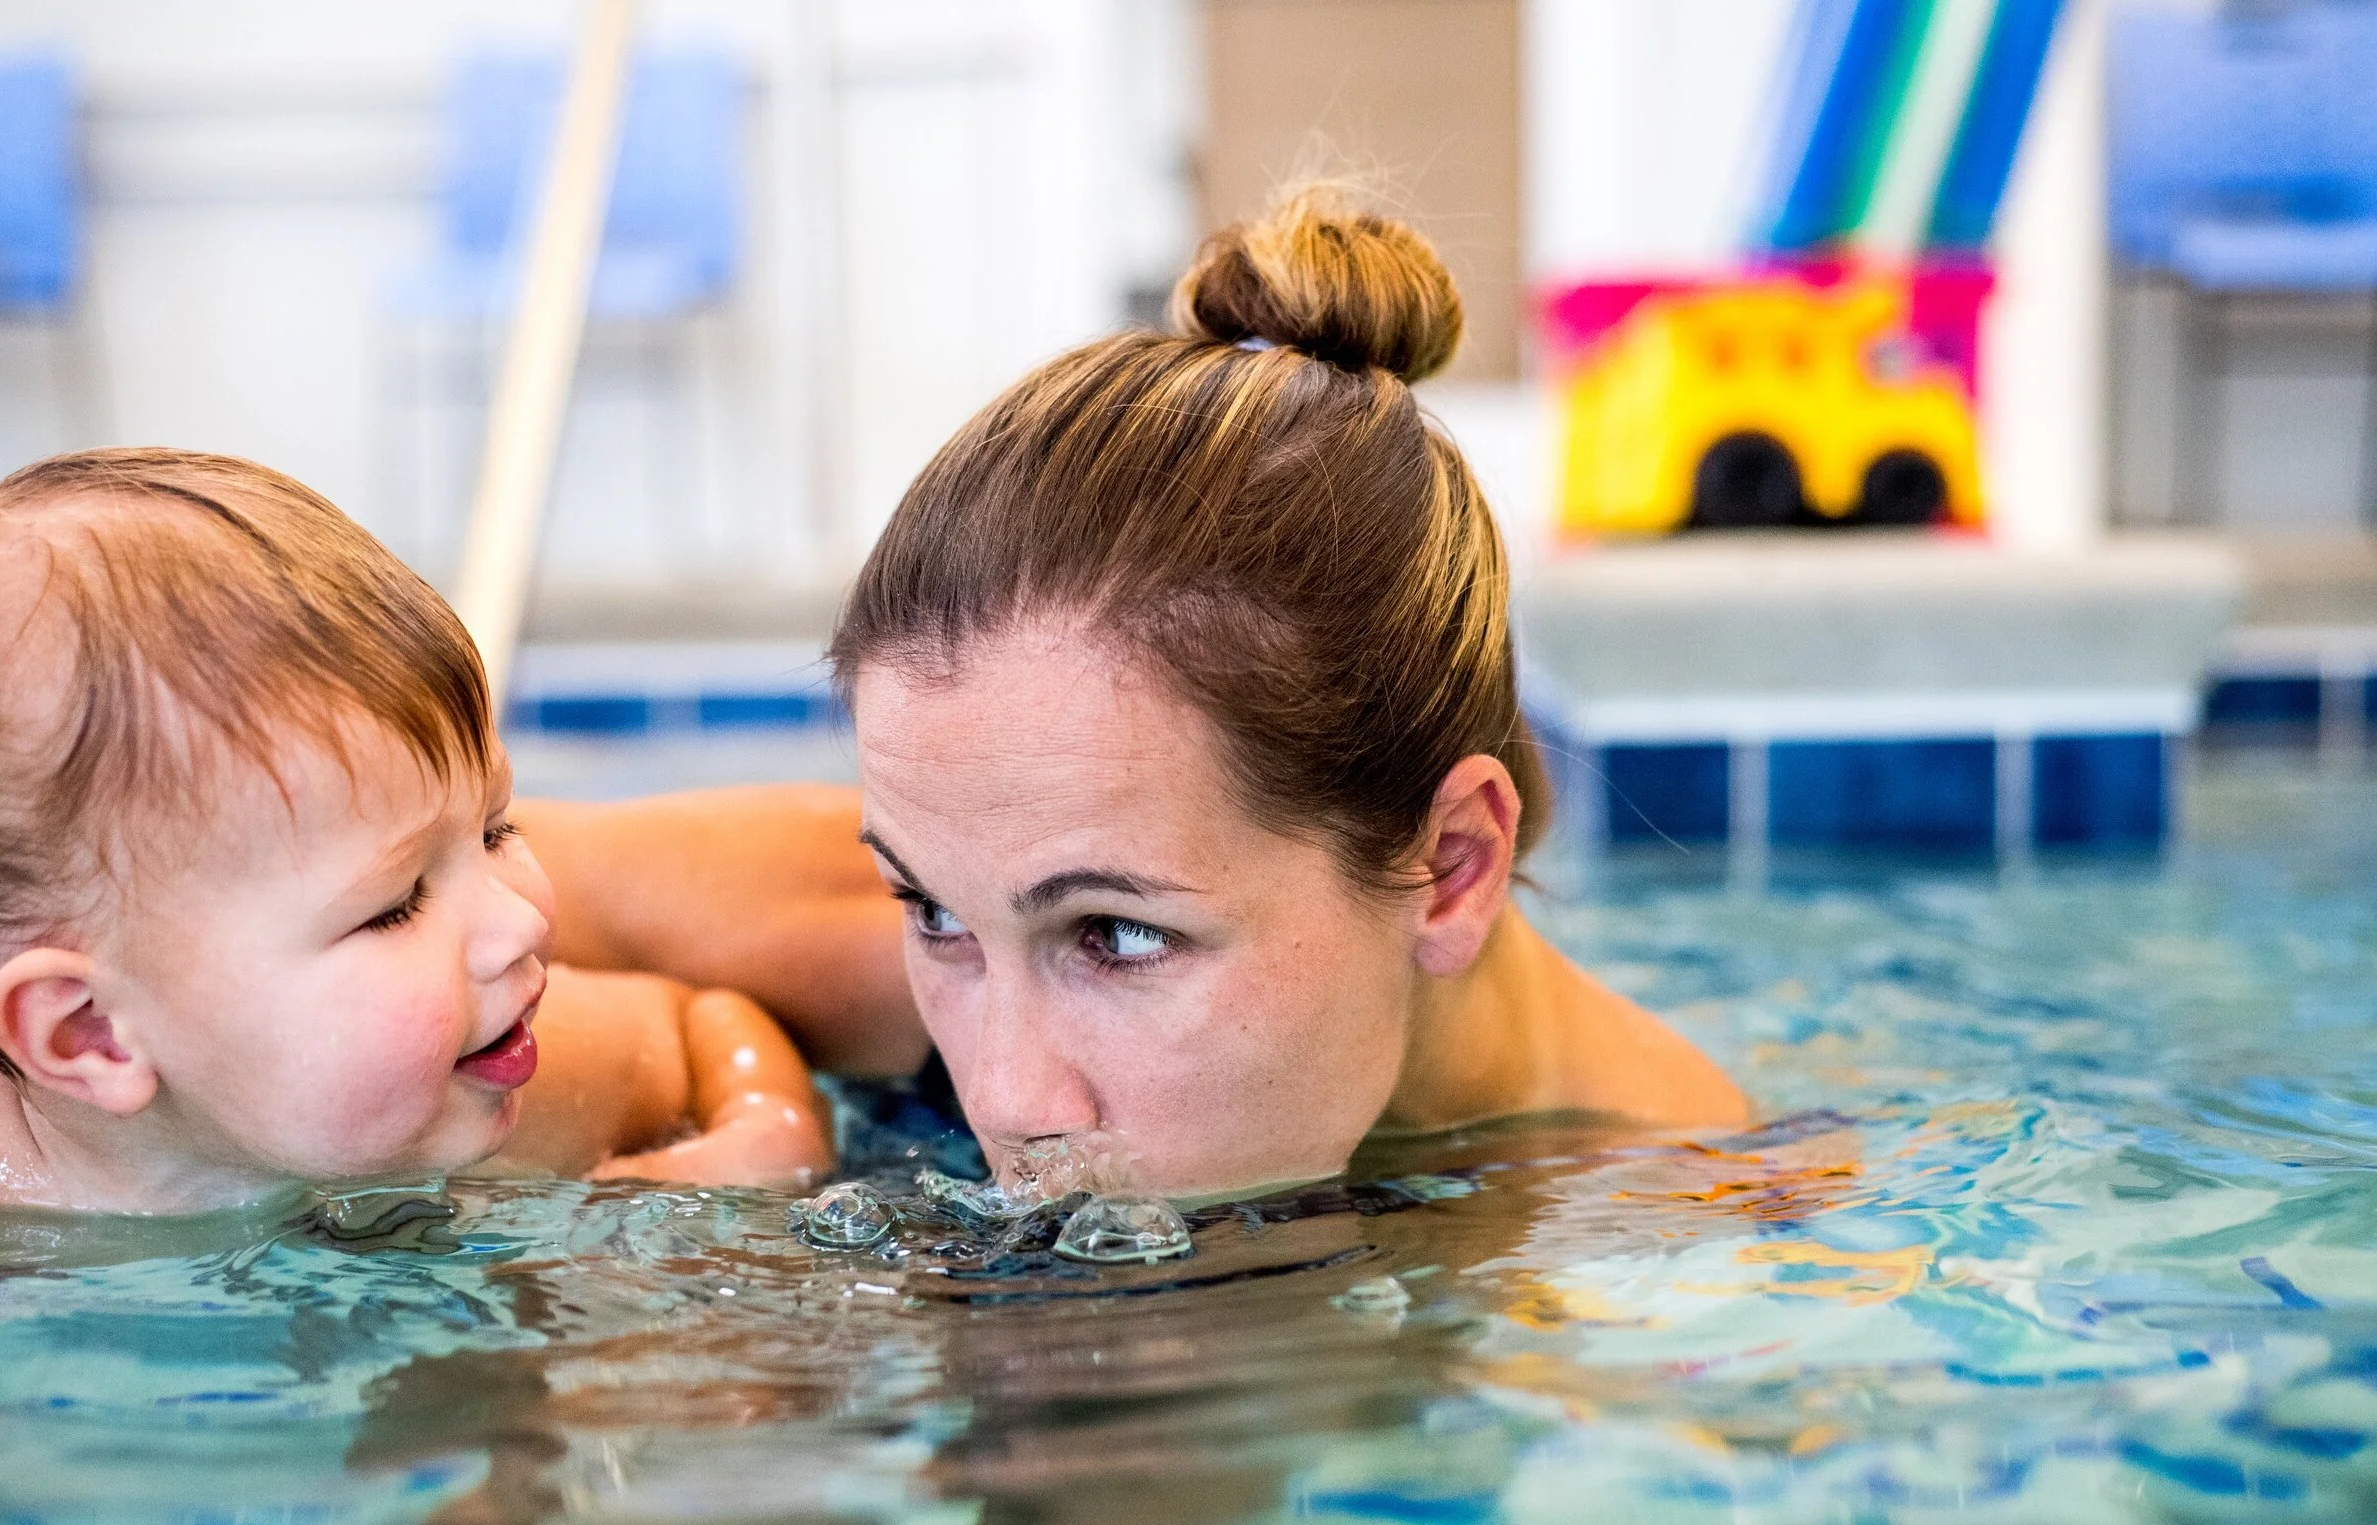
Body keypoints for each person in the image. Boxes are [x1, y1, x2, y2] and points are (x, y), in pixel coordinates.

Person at [504, 185, 1747, 1202]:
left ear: (1453, 867)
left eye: (1118, 936)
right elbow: (360, 917)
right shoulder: (955, 887)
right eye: (927, 909)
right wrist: (743, 1086)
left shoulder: (1694, 1239)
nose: (1000, 1096)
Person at [0, 449, 832, 1212]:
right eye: (393, 906)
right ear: (91, 1032)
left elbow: (699, 1018)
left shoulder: (486, 1082)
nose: (525, 921)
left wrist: (766, 1128)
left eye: (498, 829)